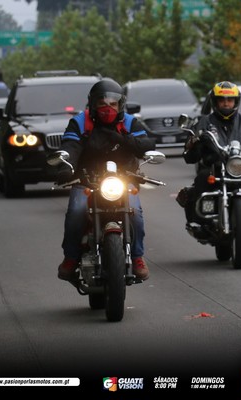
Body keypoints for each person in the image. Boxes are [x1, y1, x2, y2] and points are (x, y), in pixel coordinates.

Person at [56, 78, 156, 281]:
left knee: (135, 213)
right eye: (102, 103)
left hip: (123, 178)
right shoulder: (80, 122)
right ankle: (71, 257)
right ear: (93, 104)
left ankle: (137, 256)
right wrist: (65, 167)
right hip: (87, 178)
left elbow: (146, 144)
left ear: (120, 105)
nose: (107, 108)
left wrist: (124, 139)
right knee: (76, 211)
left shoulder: (129, 122)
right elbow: (70, 147)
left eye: (112, 103)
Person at [178, 81, 241, 239]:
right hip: (215, 168)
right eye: (222, 100)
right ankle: (200, 223)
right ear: (215, 101)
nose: (226, 103)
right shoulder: (204, 123)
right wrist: (193, 143)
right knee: (202, 179)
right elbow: (190, 157)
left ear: (236, 101)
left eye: (230, 100)